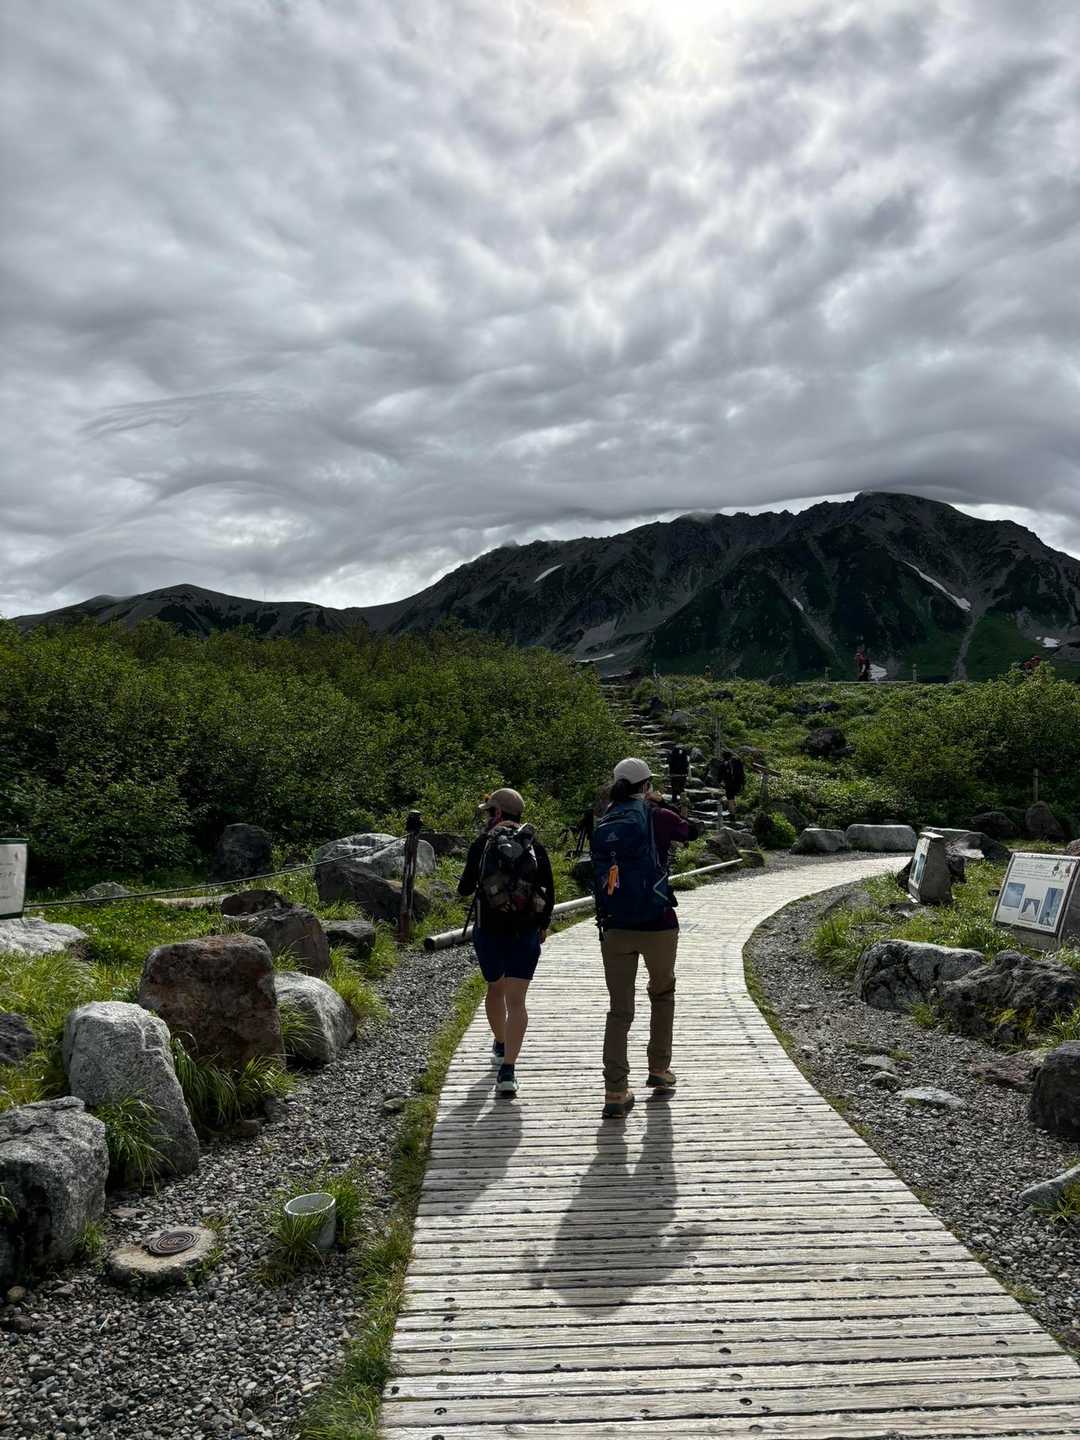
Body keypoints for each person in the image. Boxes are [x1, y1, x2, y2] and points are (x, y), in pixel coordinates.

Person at [590, 757, 702, 1119]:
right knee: (662, 993)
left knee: (619, 1010)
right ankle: (658, 1068)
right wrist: (664, 805)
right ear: (647, 784)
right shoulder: (657, 816)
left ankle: (615, 1091)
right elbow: (692, 832)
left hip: (615, 925)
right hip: (658, 922)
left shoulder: (606, 819)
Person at [457, 787, 554, 1097]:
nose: (486, 817)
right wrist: (542, 924)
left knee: (494, 989)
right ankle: (508, 1072)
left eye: (489, 811)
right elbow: (549, 891)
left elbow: (464, 889)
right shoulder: (534, 844)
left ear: (497, 813)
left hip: (489, 930)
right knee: (517, 1002)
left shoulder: (483, 844)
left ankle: (500, 1044)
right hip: (525, 932)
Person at [716, 747, 746, 821]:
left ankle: (732, 815)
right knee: (734, 797)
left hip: (729, 784)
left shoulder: (723, 764)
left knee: (730, 798)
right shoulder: (738, 762)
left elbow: (719, 776)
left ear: (723, 757)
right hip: (738, 783)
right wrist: (743, 783)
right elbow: (742, 773)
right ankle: (735, 811)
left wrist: (719, 783)